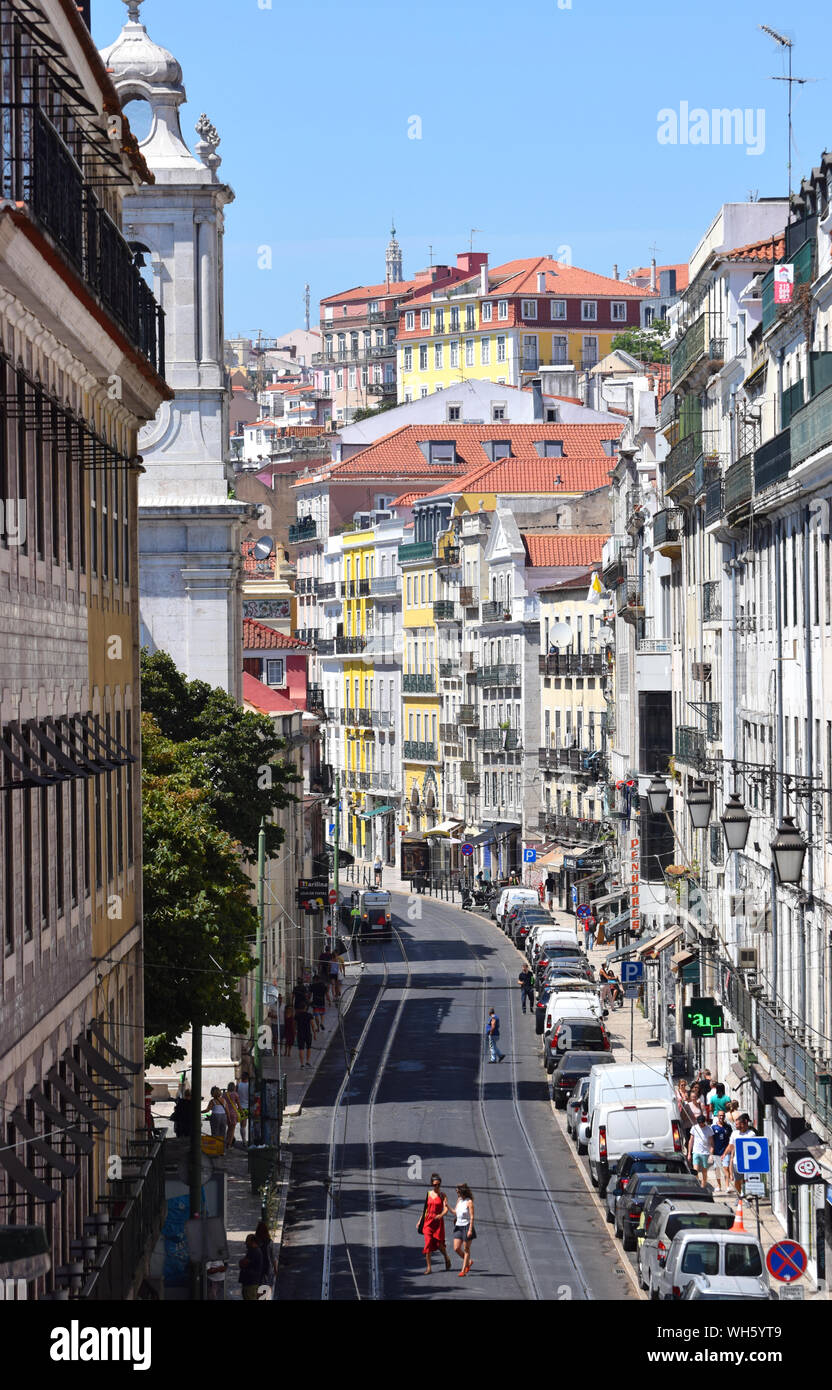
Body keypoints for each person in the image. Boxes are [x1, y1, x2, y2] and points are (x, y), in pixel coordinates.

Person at [419, 1173, 451, 1274]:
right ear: (432, 1185)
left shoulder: (442, 1195)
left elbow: (446, 1209)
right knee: (428, 1243)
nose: (436, 1186)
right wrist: (420, 1220)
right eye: (434, 1185)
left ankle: (446, 1257)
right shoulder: (428, 1194)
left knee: (439, 1244)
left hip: (438, 1222)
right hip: (428, 1221)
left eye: (438, 1184)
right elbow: (425, 1209)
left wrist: (441, 1215)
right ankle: (429, 1268)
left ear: (440, 1184)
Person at [727, 1113, 757, 1197]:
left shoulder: (751, 1134)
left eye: (738, 1124)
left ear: (744, 1123)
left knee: (746, 1180)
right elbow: (731, 1146)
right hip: (737, 1162)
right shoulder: (734, 1134)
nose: (736, 1126)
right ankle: (739, 1195)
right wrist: (728, 1157)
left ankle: (747, 1195)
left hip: (748, 1162)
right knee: (737, 1180)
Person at [452, 1183, 476, 1276]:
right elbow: (455, 1212)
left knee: (466, 1249)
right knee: (456, 1248)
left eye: (458, 1191)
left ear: (462, 1191)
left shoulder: (469, 1202)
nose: (457, 1193)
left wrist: (470, 1230)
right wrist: (447, 1206)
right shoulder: (459, 1200)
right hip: (458, 1226)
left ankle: (463, 1270)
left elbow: (472, 1217)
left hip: (466, 1226)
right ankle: (469, 1262)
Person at [688, 1112, 714, 1189]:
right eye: (699, 1123)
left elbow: (712, 1143)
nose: (700, 1125)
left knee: (704, 1171)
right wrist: (689, 1153)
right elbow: (691, 1140)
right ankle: (697, 1185)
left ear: (704, 1122)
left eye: (702, 1123)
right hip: (696, 1152)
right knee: (695, 1170)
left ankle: (703, 1186)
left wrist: (711, 1155)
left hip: (705, 1153)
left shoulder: (709, 1129)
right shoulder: (694, 1128)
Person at [710, 1108, 733, 1192]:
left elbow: (731, 1139)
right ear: (717, 1116)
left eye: (723, 1116)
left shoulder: (728, 1127)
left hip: (726, 1152)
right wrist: (711, 1153)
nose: (721, 1117)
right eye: (720, 1115)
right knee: (717, 1170)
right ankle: (719, 1186)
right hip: (716, 1152)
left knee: (726, 1168)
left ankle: (727, 1186)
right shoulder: (713, 1127)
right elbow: (711, 1141)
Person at [239, 1234, 265, 1301]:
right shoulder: (255, 1251)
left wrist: (241, 1262)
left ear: (252, 1242)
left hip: (250, 1283)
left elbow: (243, 1263)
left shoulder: (253, 1251)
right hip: (251, 1282)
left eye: (247, 1241)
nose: (246, 1244)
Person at [254, 1219, 278, 1293]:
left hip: (257, 1270)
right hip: (268, 1270)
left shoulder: (255, 1242)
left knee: (258, 1292)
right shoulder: (269, 1242)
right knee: (267, 1291)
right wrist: (276, 1270)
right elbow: (273, 1258)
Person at [294, 992, 313, 1067]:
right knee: (308, 1048)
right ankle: (307, 1061)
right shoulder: (309, 1015)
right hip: (308, 1033)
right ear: (305, 1007)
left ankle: (302, 1063)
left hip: (300, 1033)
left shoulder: (297, 1015)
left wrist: (294, 1031)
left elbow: (294, 1024)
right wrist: (314, 1033)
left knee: (301, 1049)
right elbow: (312, 1025)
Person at [223, 1083, 241, 1151]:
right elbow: (238, 1105)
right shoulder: (235, 1094)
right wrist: (242, 1113)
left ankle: (226, 1142)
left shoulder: (224, 1094)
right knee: (232, 1130)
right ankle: (229, 1145)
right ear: (234, 1087)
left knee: (229, 1129)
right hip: (233, 1113)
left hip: (226, 1113)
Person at [237, 1072, 250, 1146]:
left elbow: (236, 1096)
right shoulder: (249, 1085)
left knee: (242, 1125)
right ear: (247, 1078)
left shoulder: (238, 1085)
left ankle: (244, 1140)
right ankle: (245, 1141)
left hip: (240, 1107)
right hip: (248, 1107)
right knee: (245, 1124)